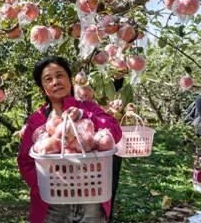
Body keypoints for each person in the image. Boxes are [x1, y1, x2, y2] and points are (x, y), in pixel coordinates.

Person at [17, 56, 122, 223]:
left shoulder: (89, 108)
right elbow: (25, 161)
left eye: (60, 75)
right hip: (53, 203)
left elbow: (114, 131)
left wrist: (84, 115)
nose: (55, 81)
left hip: (91, 199)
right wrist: (43, 185)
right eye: (48, 79)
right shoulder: (36, 121)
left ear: (70, 80)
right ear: (43, 88)